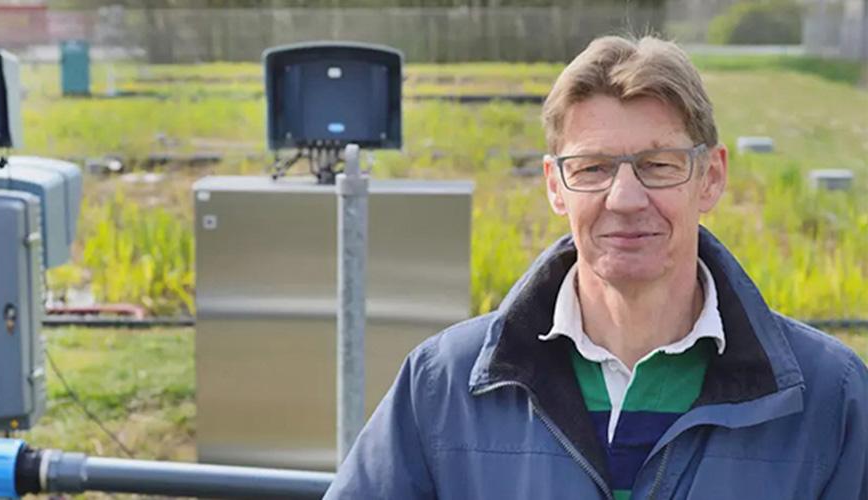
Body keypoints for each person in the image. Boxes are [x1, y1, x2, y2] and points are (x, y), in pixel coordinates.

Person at [323, 35, 868, 499]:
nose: (625, 198)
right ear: (554, 185)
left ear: (712, 177)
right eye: (592, 168)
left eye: (659, 165)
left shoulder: (831, 400)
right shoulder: (442, 388)